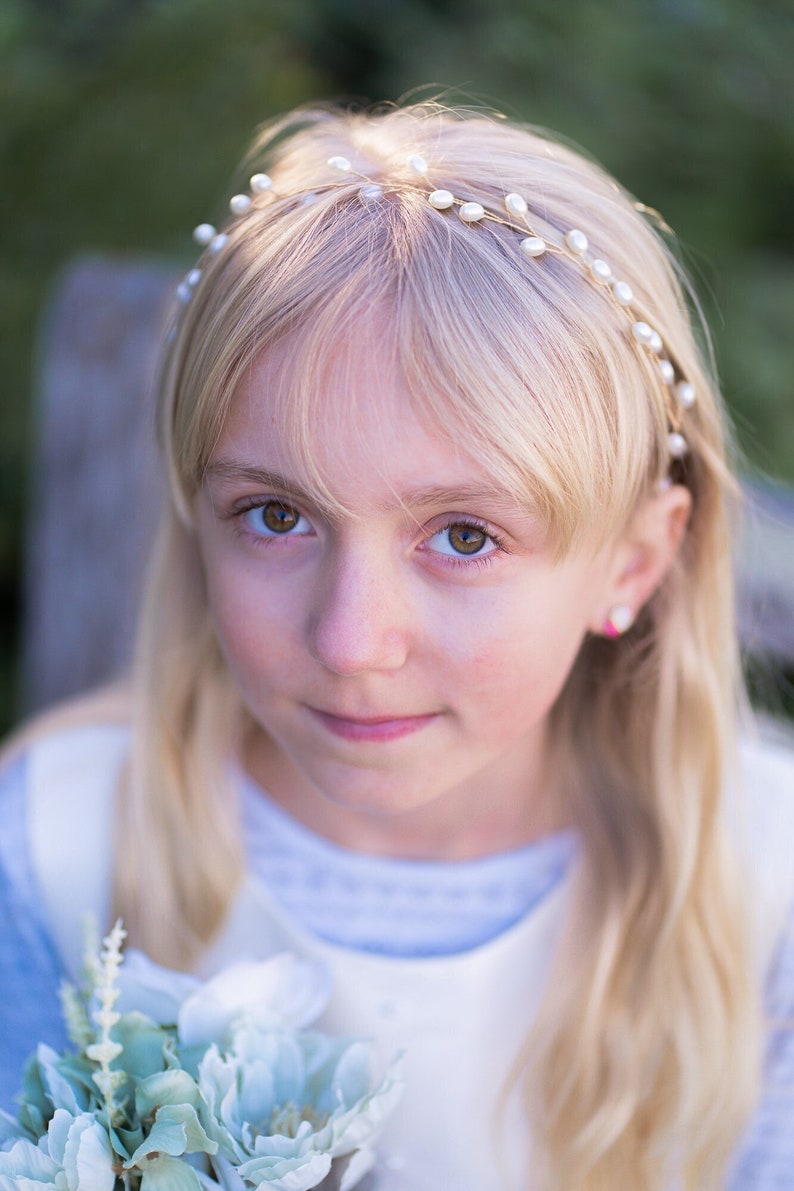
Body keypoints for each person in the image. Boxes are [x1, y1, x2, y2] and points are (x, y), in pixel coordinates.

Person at [1, 100, 792, 1190]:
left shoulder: (762, 883)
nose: (351, 640)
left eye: (463, 536)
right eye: (275, 516)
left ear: (631, 562)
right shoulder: (56, 845)